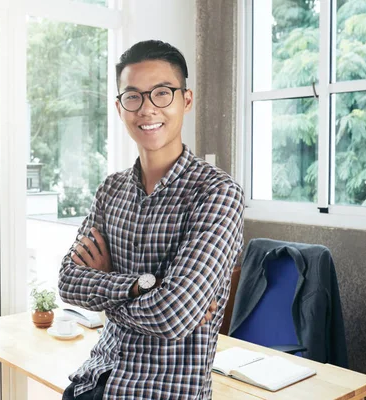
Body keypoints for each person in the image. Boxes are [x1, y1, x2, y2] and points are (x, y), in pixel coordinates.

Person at [58, 40, 244, 400]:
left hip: (160, 392)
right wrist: (143, 287)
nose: (146, 109)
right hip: (93, 382)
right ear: (119, 107)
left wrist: (106, 290)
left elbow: (174, 315)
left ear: (186, 100)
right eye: (133, 97)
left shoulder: (217, 193)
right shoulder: (111, 190)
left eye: (162, 93)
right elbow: (68, 282)